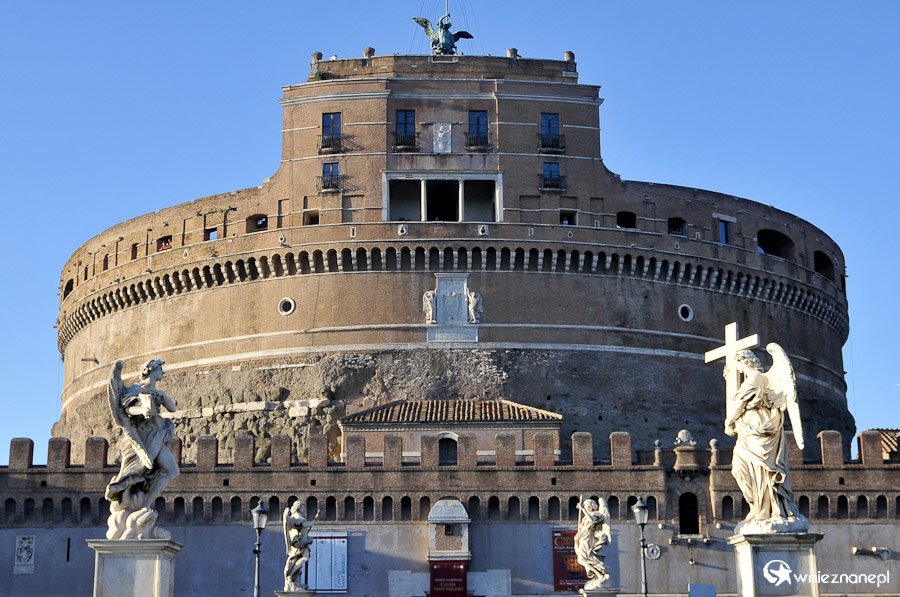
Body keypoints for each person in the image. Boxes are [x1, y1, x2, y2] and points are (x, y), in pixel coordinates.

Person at [726, 348, 806, 533]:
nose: (737, 369)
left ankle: (766, 508)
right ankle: (757, 507)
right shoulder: (753, 380)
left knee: (761, 470)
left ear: (744, 362)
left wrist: (728, 422)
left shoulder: (755, 379)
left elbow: (739, 404)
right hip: (749, 432)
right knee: (740, 469)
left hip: (760, 429)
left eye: (738, 364)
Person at [105, 359, 180, 539]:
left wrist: (161, 396)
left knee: (173, 471)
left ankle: (146, 504)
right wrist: (142, 410)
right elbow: (126, 410)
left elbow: (173, 408)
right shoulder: (136, 389)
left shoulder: (156, 392)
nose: (163, 372)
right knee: (136, 471)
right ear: (151, 370)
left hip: (157, 435)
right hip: (141, 438)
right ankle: (130, 503)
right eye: (161, 368)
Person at [574, 497, 611, 591]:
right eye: (585, 506)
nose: (586, 507)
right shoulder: (585, 518)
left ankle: (599, 574)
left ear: (591, 506)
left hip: (588, 537)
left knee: (583, 558)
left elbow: (591, 520)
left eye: (587, 506)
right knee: (581, 559)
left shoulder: (596, 513)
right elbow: (582, 527)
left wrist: (582, 510)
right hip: (582, 536)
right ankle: (597, 575)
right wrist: (577, 538)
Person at [283, 501, 316, 591]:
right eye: (302, 506)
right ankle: (290, 575)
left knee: (304, 557)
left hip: (303, 541)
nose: (303, 508)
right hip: (298, 543)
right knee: (303, 557)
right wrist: (311, 523)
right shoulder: (295, 516)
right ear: (298, 507)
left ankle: (293, 578)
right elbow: (300, 524)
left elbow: (303, 529)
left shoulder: (298, 515)